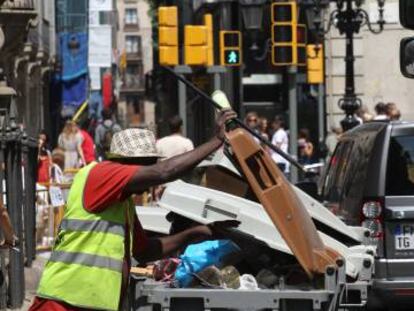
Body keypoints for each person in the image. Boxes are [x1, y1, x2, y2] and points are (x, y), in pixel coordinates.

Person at [29, 109, 238, 311]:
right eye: (145, 167)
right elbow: (164, 172)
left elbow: (145, 250)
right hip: (64, 301)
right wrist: (216, 141)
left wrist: (196, 233)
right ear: (129, 164)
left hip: (86, 302)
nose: (148, 181)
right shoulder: (101, 174)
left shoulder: (123, 203)